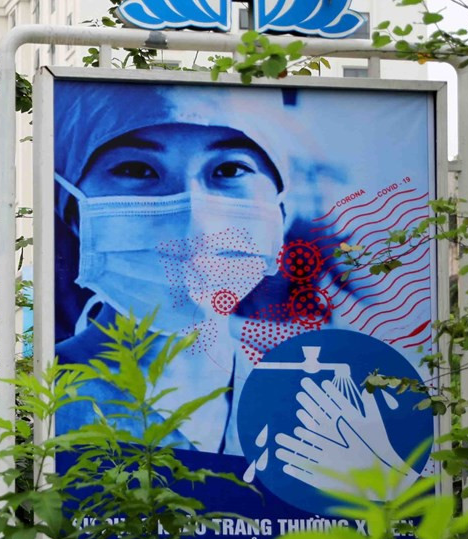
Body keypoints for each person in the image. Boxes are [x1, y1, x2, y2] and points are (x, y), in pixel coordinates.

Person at [53, 82, 325, 453]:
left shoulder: (311, 393)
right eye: (137, 169)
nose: (193, 217)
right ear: (71, 209)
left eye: (230, 169)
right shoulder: (41, 396)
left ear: (280, 209)